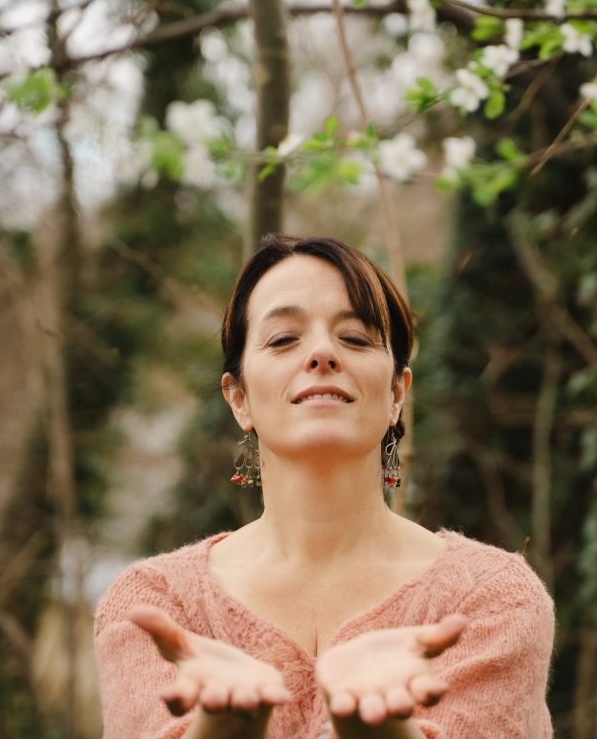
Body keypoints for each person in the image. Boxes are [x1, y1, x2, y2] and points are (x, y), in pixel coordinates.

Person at [94, 235, 555, 739]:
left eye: (355, 338)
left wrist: (380, 732)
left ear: (397, 394)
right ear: (238, 398)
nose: (320, 353)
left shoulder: (490, 598)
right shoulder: (155, 607)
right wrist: (220, 730)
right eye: (282, 339)